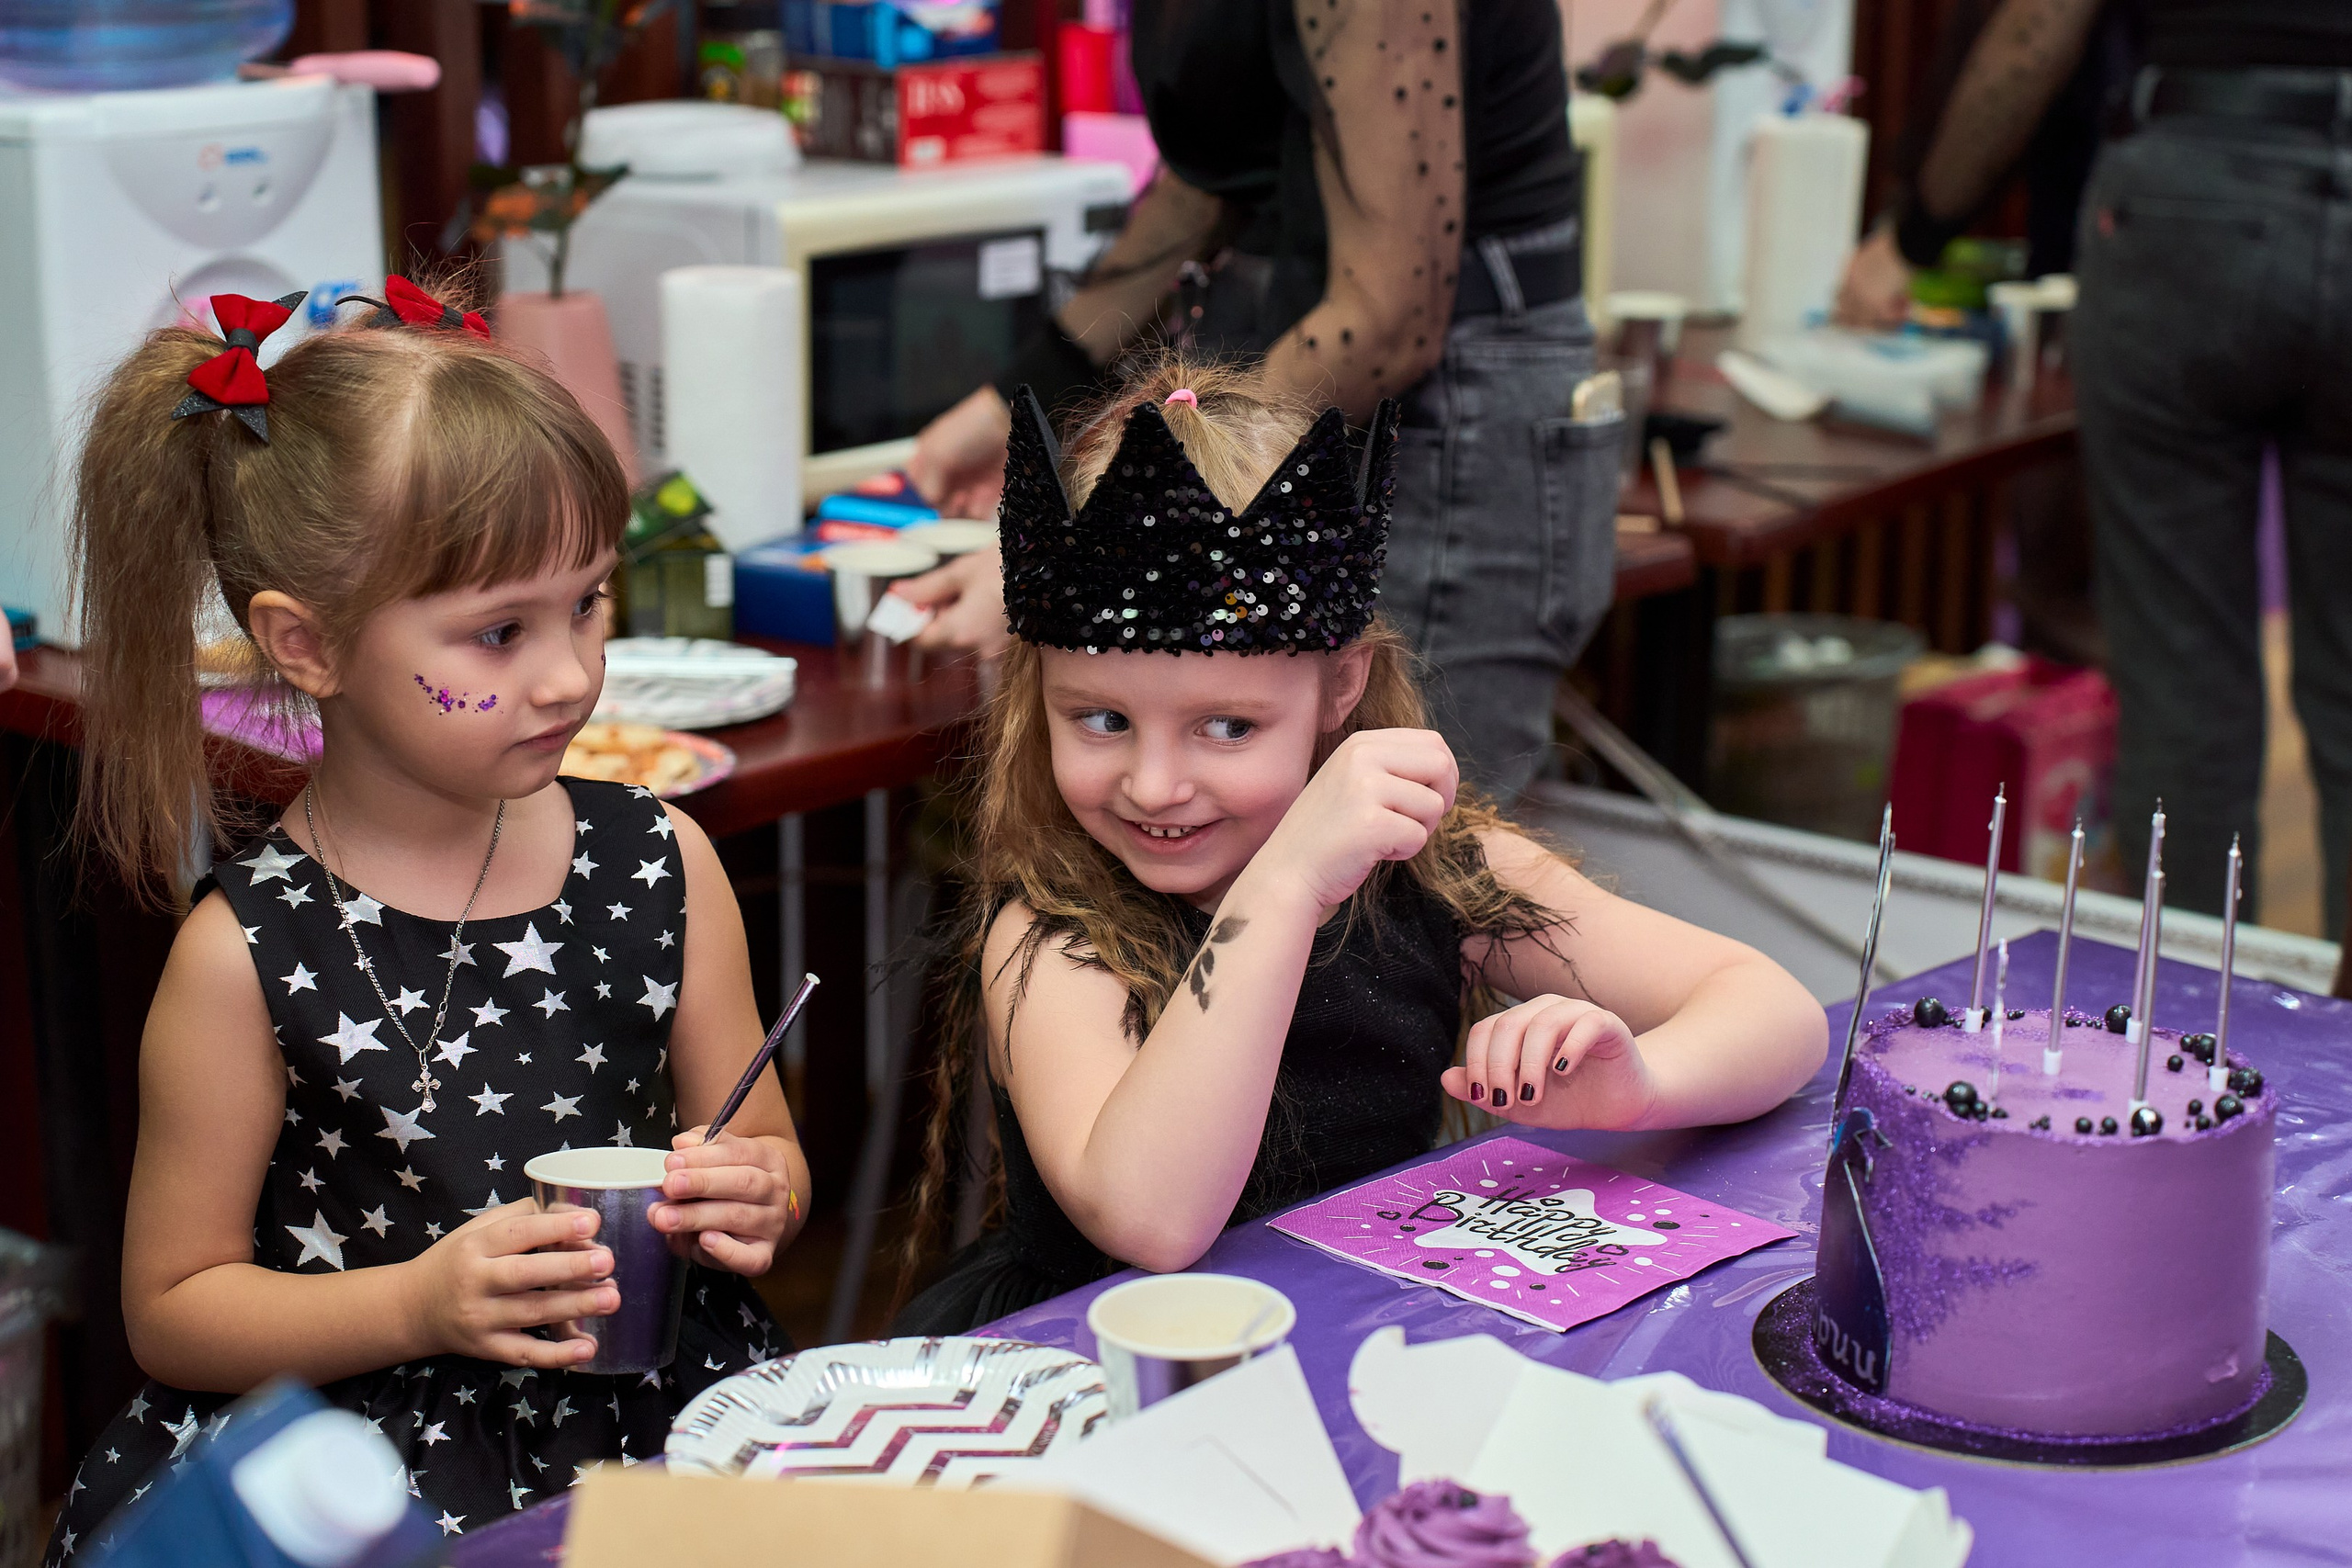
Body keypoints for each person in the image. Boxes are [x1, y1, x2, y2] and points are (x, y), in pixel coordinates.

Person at [46, 280, 808, 1561]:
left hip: (661, 1427)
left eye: (589, 604)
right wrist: (422, 1300)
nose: (568, 672)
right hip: (368, 1475)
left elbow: (766, 1141)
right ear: (307, 643)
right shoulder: (244, 955)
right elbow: (173, 1309)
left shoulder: (662, 859)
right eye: (498, 632)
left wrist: (759, 1191)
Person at [892, 361, 1826, 1333]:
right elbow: (1152, 1222)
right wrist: (1287, 885)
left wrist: (1639, 1085)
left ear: (1340, 690)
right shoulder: (1051, 937)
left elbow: (1776, 1013)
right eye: (1099, 720)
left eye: (1225, 729)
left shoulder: (1430, 874)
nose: (1154, 784)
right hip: (1110, 1380)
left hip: (1362, 1340)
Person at [897, 0, 1611, 803]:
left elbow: (1389, 319)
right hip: (1293, 396)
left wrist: (1102, 560)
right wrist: (1023, 392)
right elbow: (1212, 177)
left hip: (1440, 426)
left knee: (1400, 863)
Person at [1870, 0, 2352, 931]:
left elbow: (2036, 30)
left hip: (2190, 195)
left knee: (2181, 688)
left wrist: (1914, 232)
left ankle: (2192, 1048)